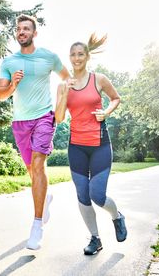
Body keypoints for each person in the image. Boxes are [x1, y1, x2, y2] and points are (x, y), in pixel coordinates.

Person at [0, 14, 70, 250]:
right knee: (31, 170)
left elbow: (67, 79)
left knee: (38, 165)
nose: (22, 32)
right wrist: (13, 85)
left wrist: (63, 100)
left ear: (34, 33)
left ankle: (37, 225)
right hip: (20, 122)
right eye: (19, 29)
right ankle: (45, 197)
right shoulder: (9, 62)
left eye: (26, 28)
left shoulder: (48, 57)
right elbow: (1, 95)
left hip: (44, 117)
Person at [54, 33, 127, 255]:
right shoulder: (63, 85)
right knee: (82, 196)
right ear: (70, 58)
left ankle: (117, 216)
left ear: (87, 57)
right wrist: (65, 93)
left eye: (80, 54)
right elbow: (59, 118)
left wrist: (106, 112)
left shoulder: (99, 79)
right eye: (73, 55)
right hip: (76, 146)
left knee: (97, 195)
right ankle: (95, 239)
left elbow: (116, 98)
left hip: (99, 145)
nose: (76, 58)